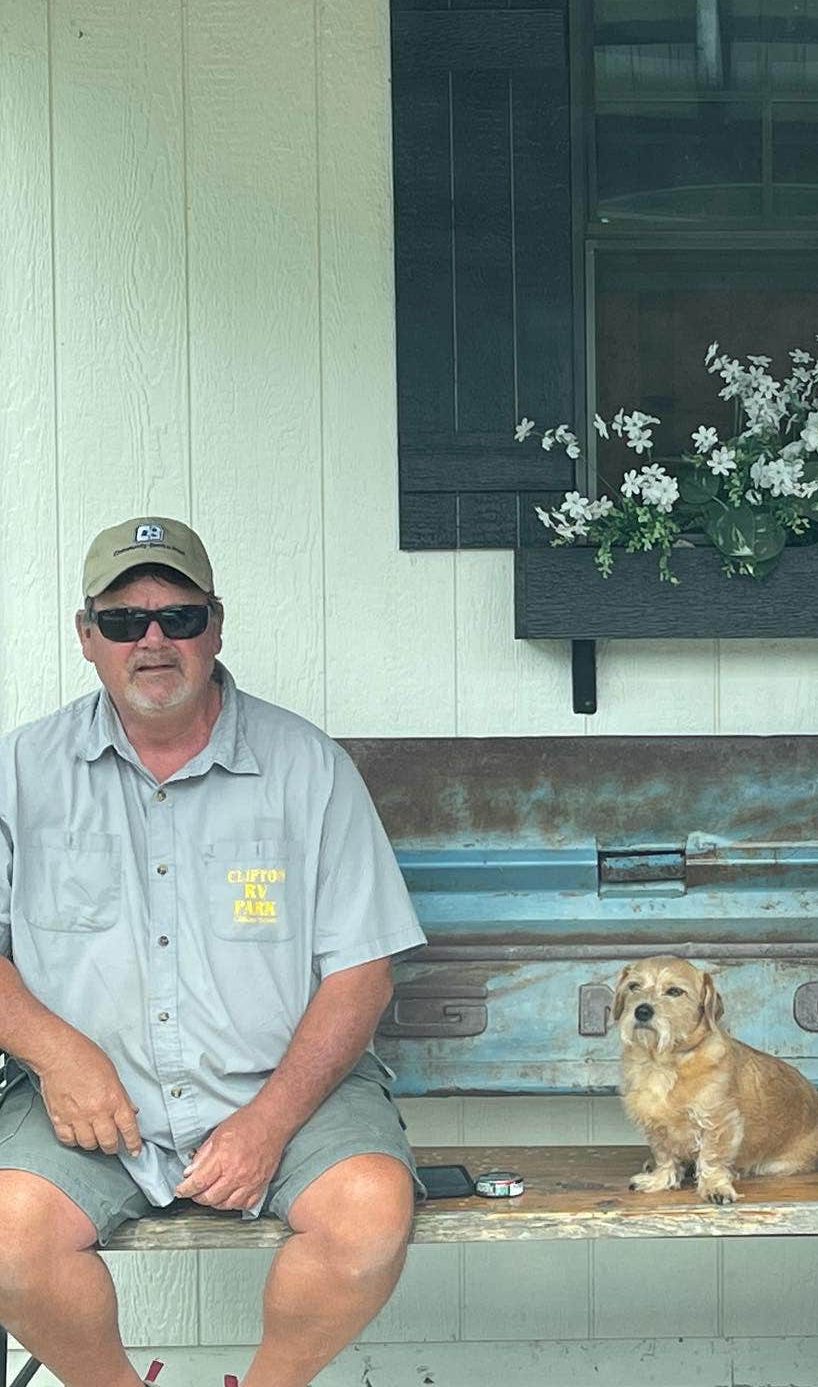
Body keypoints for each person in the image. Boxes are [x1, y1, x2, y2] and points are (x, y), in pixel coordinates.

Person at [0, 517, 428, 1387]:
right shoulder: (20, 770)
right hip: (91, 1108)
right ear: (87, 638)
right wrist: (56, 1053)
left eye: (178, 618)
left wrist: (269, 1123)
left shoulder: (307, 767)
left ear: (216, 626)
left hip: (284, 1090)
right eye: (124, 622)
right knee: (7, 1238)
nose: (152, 640)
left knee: (369, 1216)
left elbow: (362, 970)